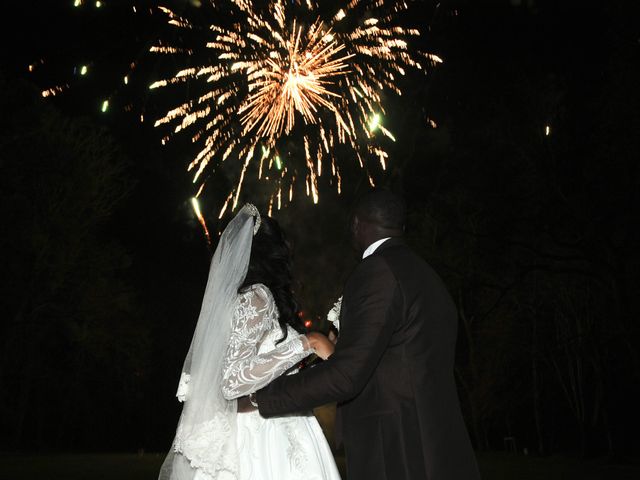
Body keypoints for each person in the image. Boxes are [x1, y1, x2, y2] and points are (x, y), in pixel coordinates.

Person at [252, 189, 482, 480]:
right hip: (437, 443)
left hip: (395, 448)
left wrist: (263, 398)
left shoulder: (377, 272)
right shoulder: (428, 276)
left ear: (357, 225)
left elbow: (347, 375)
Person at [158, 203, 340, 480]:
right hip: (263, 434)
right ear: (273, 252)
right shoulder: (257, 297)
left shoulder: (253, 299)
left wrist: (312, 357)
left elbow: (268, 368)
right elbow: (232, 381)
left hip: (281, 417)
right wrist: (306, 343)